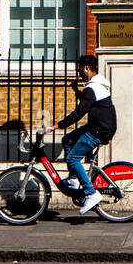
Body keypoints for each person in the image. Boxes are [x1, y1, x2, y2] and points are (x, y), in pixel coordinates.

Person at [48, 55, 117, 215]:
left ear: (86, 68)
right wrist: (75, 90)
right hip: (98, 126)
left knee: (72, 158)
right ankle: (73, 179)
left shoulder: (92, 87)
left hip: (99, 131)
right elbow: (88, 101)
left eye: (79, 69)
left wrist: (58, 125)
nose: (78, 72)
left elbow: (79, 112)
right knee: (68, 140)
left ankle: (91, 193)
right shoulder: (97, 85)